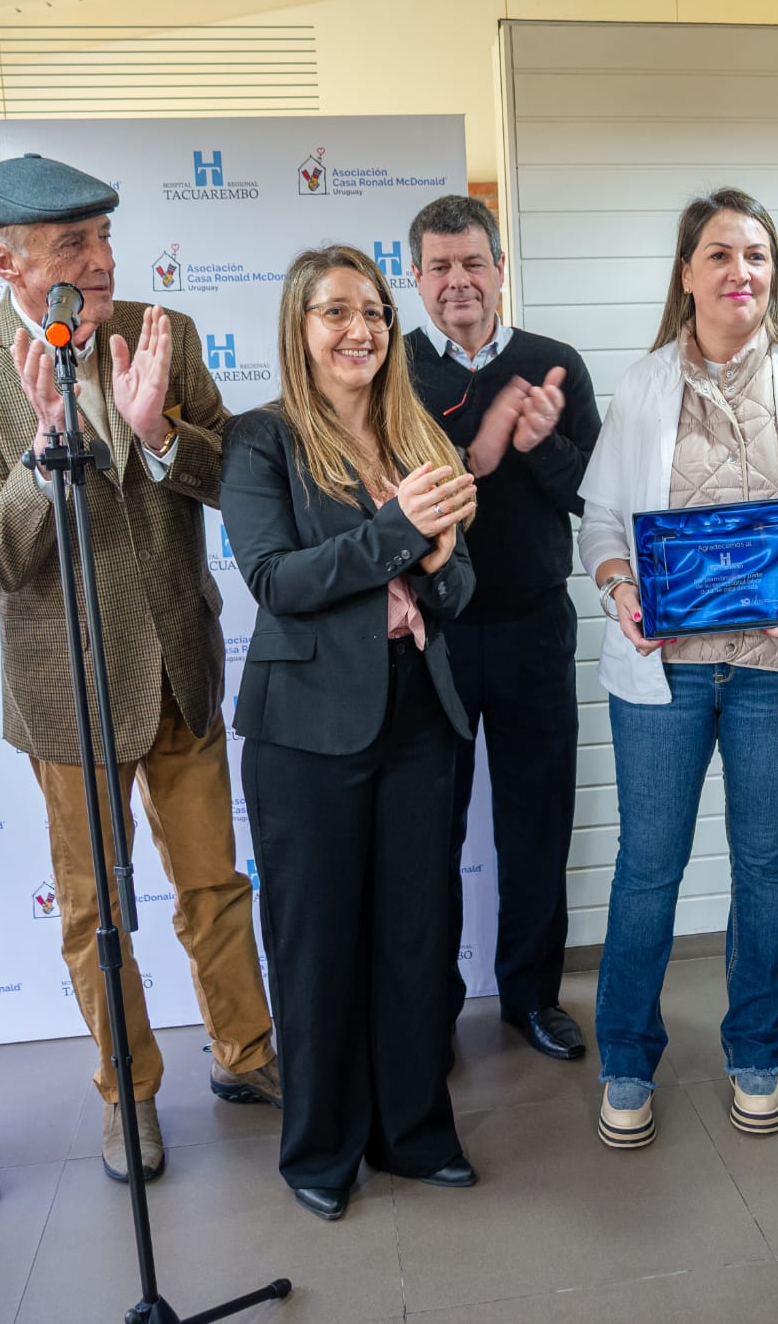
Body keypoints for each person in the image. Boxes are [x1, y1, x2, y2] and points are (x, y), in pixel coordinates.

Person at [0, 153, 278, 1186]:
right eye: (76, 243)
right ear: (5, 259)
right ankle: (130, 1092)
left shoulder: (166, 335)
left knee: (213, 883)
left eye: (106, 236)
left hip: (181, 668)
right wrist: (48, 449)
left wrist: (160, 429)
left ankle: (246, 1056)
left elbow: (230, 483)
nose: (103, 259)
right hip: (64, 686)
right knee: (96, 906)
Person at [580, 188, 778, 1149]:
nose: (739, 271)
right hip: (663, 677)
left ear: (772, 272)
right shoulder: (640, 386)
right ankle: (626, 1059)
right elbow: (605, 529)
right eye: (719, 254)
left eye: (756, 254)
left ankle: (756, 1049)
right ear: (687, 274)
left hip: (774, 672)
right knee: (648, 870)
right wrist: (621, 589)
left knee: (764, 868)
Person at [222, 244, 481, 1222]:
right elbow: (275, 580)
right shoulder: (261, 441)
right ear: (300, 328)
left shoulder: (419, 436)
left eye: (371, 310)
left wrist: (439, 562)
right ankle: (320, 1147)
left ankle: (411, 1131)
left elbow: (460, 586)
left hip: (420, 714)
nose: (359, 329)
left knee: (415, 939)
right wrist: (395, 537)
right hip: (305, 734)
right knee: (316, 944)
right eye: (334, 312)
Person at [404, 194, 601, 1062]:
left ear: (499, 268)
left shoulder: (554, 363)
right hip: (427, 642)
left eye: (472, 262)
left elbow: (593, 494)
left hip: (532, 629)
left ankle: (530, 997)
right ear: (415, 278)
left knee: (535, 824)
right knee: (428, 832)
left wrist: (541, 444)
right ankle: (432, 1010)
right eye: (440, 267)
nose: (458, 282)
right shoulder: (392, 369)